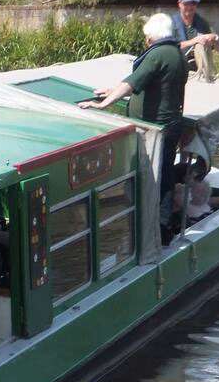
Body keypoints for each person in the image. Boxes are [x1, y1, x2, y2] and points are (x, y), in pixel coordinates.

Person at [78, 12, 187, 233]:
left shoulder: (158, 55)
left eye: (147, 37)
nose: (146, 41)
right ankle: (161, 225)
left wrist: (103, 104)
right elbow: (150, 85)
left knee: (151, 176)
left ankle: (153, 226)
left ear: (151, 37)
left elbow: (132, 83)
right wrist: (112, 91)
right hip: (170, 126)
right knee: (164, 174)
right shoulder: (177, 54)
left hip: (155, 130)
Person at [173, 0, 219, 71]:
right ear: (179, 4)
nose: (190, 7)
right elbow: (169, 48)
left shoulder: (202, 23)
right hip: (177, 68)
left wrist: (216, 38)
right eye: (186, 3)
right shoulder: (171, 23)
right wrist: (195, 41)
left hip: (198, 70)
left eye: (193, 3)